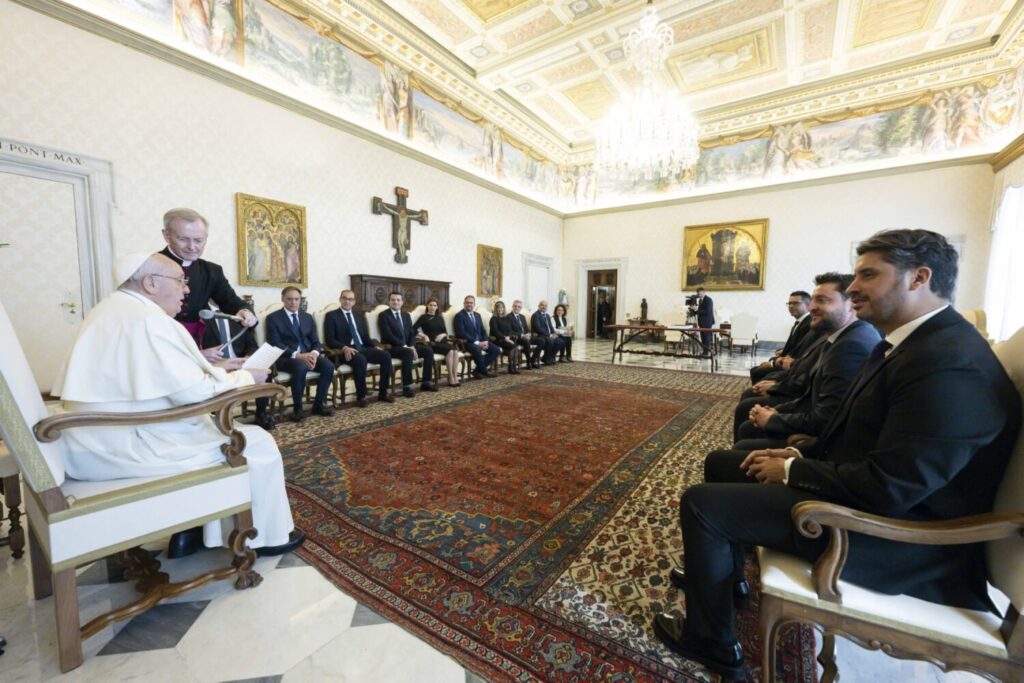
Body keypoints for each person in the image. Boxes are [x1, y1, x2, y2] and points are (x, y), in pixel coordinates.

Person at [653, 229, 1021, 680]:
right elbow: (864, 437)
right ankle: (727, 580)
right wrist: (801, 449)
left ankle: (711, 642)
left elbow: (891, 487)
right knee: (721, 463)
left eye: (868, 274)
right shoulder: (918, 344)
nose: (852, 288)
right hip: (871, 495)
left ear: (919, 278)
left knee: (702, 503)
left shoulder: (949, 362)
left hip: (897, 538)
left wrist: (794, 468)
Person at [51, 252, 303, 557]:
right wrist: (247, 377)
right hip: (128, 443)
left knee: (220, 431)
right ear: (151, 283)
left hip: (96, 436)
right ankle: (262, 538)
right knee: (256, 442)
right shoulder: (149, 320)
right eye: (180, 281)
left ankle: (196, 532)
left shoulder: (113, 310)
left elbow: (160, 378)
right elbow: (199, 395)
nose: (187, 289)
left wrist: (220, 367)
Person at [727, 273, 879, 452]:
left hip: (828, 445)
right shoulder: (845, 335)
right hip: (809, 414)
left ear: (851, 303)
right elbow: (811, 393)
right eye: (813, 301)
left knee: (736, 440)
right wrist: (779, 411)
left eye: (822, 300)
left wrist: (774, 418)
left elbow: (827, 416)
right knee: (748, 419)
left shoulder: (850, 345)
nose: (812, 307)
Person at [159, 208, 257, 355]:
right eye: (183, 239)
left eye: (198, 240)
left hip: (200, 343)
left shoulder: (211, 271)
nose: (192, 247)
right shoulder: (149, 265)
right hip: (161, 340)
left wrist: (245, 312)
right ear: (167, 235)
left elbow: (232, 303)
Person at [265, 287, 335, 421]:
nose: (293, 302)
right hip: (285, 357)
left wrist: (314, 353)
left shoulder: (307, 317)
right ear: (282, 299)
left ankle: (319, 404)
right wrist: (297, 355)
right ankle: (298, 409)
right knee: (300, 367)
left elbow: (315, 341)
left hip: (308, 354)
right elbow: (275, 343)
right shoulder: (273, 318)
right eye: (289, 299)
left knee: (328, 366)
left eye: (296, 299)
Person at [201, 310, 275, 431]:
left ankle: (261, 413)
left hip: (240, 361)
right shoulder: (203, 314)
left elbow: (252, 344)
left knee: (265, 370)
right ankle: (219, 416)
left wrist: (249, 357)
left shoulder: (239, 316)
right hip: (217, 364)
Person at [323, 289, 395, 407]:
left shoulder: (359, 315)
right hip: (344, 351)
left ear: (354, 302)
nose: (347, 301)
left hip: (361, 347)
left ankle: (383, 392)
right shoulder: (331, 316)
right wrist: (344, 347)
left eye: (350, 299)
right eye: (345, 298)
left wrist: (375, 346)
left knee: (385, 356)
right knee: (361, 359)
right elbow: (329, 339)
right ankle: (361, 396)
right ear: (340, 299)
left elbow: (365, 336)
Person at [378, 292, 437, 397]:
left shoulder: (406, 315)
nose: (395, 302)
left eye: (398, 300)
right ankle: (407, 386)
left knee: (428, 351)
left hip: (408, 346)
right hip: (392, 347)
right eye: (393, 300)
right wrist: (407, 347)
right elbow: (388, 335)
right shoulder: (384, 315)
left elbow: (411, 333)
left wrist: (412, 346)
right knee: (408, 352)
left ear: (402, 302)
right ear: (389, 302)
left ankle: (426, 382)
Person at [749, 291, 812, 383]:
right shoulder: (800, 322)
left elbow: (799, 352)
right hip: (787, 360)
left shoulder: (808, 324)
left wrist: (773, 363)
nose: (791, 306)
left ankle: (761, 391)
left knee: (757, 371)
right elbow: (796, 345)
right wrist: (782, 351)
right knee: (759, 368)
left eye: (795, 303)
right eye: (789, 303)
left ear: (808, 305)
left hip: (793, 366)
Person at [413, 298, 462, 387]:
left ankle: (454, 375)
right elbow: (413, 329)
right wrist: (424, 335)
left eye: (434, 305)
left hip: (443, 341)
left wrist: (442, 335)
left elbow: (445, 331)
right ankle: (450, 376)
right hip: (432, 343)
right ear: (427, 306)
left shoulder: (439, 317)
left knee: (454, 350)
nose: (432, 307)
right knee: (451, 350)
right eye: (430, 305)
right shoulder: (424, 317)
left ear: (437, 307)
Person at [454, 295, 500, 378]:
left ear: (474, 304)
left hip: (480, 341)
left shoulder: (477, 315)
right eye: (467, 303)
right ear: (464, 304)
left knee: (496, 350)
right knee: (477, 349)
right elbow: (461, 333)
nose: (469, 304)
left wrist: (485, 341)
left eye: (471, 303)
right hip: (467, 342)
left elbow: (483, 330)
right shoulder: (459, 316)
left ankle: (477, 370)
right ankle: (484, 371)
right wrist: (477, 343)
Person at [488, 300, 521, 374]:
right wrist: (505, 338)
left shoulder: (506, 318)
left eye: (502, 308)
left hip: (506, 339)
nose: (500, 309)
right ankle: (511, 367)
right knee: (513, 346)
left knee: (515, 346)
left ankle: (513, 366)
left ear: (504, 309)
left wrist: (509, 337)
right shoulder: (493, 319)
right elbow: (496, 332)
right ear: (496, 309)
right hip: (497, 339)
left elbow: (509, 330)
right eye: (498, 308)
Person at [509, 299, 541, 369]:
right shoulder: (508, 317)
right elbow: (510, 331)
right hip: (516, 338)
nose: (517, 308)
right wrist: (522, 335)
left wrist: (528, 334)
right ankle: (528, 362)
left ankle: (533, 360)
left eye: (519, 307)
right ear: (512, 306)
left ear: (521, 308)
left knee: (541, 341)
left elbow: (526, 329)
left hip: (526, 336)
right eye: (515, 306)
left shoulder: (522, 317)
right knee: (526, 342)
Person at [531, 300, 564, 365]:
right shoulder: (535, 315)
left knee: (561, 341)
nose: (544, 307)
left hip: (548, 335)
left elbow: (550, 327)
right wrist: (549, 335)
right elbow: (538, 328)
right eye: (542, 305)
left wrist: (554, 333)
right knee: (550, 341)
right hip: (540, 335)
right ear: (539, 306)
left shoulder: (547, 315)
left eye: (545, 306)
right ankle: (547, 358)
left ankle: (548, 357)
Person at [690, 287, 714, 356]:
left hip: (707, 322)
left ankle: (706, 352)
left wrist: (697, 309)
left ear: (704, 292)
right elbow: (699, 311)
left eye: (701, 294)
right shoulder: (700, 300)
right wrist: (694, 310)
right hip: (701, 321)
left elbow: (707, 312)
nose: (700, 295)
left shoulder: (708, 300)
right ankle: (704, 351)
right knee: (703, 337)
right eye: (698, 294)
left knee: (706, 337)